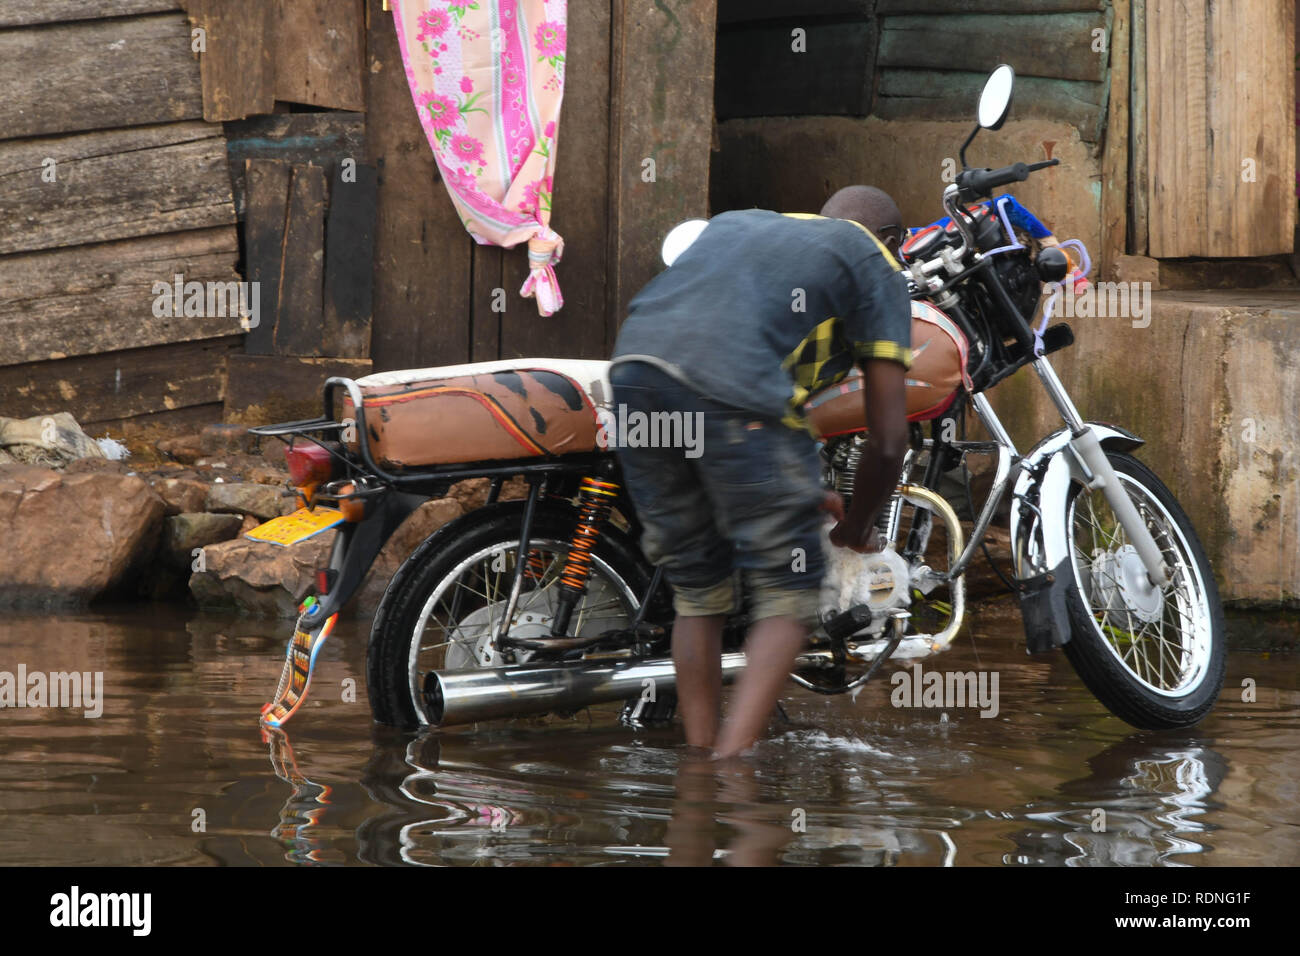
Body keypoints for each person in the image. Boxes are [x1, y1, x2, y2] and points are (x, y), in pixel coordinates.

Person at [608, 185, 913, 760]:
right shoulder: (876, 263)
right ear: (894, 241)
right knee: (788, 596)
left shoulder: (739, 219)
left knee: (697, 595)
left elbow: (752, 369)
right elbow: (890, 439)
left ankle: (699, 773)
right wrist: (856, 529)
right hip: (729, 394)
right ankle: (732, 777)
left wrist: (800, 491)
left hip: (633, 376)